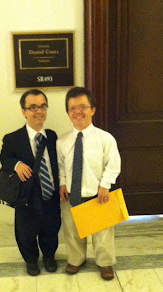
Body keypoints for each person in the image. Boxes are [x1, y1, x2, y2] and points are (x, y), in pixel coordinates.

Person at [57, 86, 121, 280]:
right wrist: (62, 183)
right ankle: (76, 259)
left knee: (102, 233)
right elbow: (61, 166)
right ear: (68, 113)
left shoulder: (105, 138)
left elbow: (113, 164)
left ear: (93, 110)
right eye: (73, 108)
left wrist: (105, 185)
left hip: (98, 194)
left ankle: (105, 262)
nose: (78, 112)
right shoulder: (62, 141)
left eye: (83, 107)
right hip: (71, 195)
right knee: (72, 231)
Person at [0, 89, 61, 276]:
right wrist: (17, 164)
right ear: (24, 111)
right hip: (26, 195)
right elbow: (4, 158)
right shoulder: (12, 138)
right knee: (26, 230)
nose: (38, 111)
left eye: (42, 106)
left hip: (50, 192)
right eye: (32, 107)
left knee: (51, 226)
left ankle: (49, 256)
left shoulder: (52, 136)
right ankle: (31, 260)